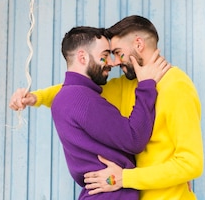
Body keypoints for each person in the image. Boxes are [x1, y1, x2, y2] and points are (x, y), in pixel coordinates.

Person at [9, 15, 204, 200]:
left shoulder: (177, 86)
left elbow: (191, 163)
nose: (115, 61)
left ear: (138, 44)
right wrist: (35, 97)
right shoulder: (128, 84)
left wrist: (125, 178)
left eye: (118, 53)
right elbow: (77, 94)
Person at [49, 26, 169, 199]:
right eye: (104, 56)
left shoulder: (63, 98)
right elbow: (134, 139)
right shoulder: (82, 98)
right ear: (82, 57)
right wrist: (146, 85)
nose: (112, 63)